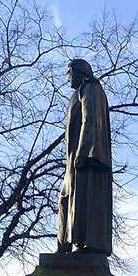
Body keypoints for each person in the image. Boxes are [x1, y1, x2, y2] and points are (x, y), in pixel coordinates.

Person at [57, 59, 113, 256]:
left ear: (81, 72)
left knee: (83, 199)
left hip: (86, 158)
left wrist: (83, 152)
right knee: (66, 198)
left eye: (70, 72)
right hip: (72, 161)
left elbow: (90, 120)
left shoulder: (91, 89)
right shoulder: (76, 94)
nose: (68, 77)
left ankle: (84, 244)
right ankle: (64, 244)